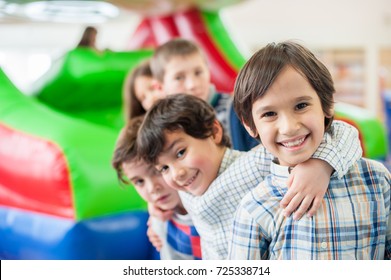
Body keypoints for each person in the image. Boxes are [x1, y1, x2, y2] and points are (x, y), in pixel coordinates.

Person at [137, 93, 363, 259]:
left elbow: (343, 131)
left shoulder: (252, 163)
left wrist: (319, 165)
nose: (176, 174)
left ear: (214, 132)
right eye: (163, 168)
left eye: (181, 153)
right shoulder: (187, 188)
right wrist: (155, 211)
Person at [228, 41, 391, 260]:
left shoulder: (376, 180)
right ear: (250, 125)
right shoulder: (255, 207)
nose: (289, 127)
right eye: (269, 114)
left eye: (301, 106)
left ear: (328, 105)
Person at [112, 116, 201, 260]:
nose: (153, 188)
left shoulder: (207, 204)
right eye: (139, 181)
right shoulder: (160, 221)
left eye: (157, 171)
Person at [150, 38, 259, 151]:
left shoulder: (237, 109)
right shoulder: (162, 126)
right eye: (179, 77)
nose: (193, 84)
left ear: (208, 71)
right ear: (160, 87)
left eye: (198, 72)